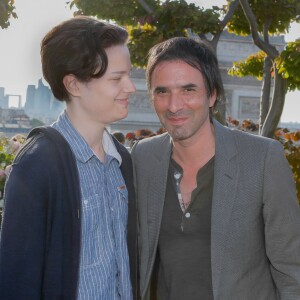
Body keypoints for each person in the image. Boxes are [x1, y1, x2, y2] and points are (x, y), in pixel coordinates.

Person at [131, 37, 300, 300]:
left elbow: (292, 269)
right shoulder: (142, 157)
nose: (174, 106)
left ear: (212, 95)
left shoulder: (262, 159)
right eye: (162, 91)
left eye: (188, 90)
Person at [0, 16, 138, 299]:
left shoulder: (122, 160)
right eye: (116, 78)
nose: (130, 87)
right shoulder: (38, 165)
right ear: (73, 85)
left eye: (129, 75)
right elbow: (17, 279)